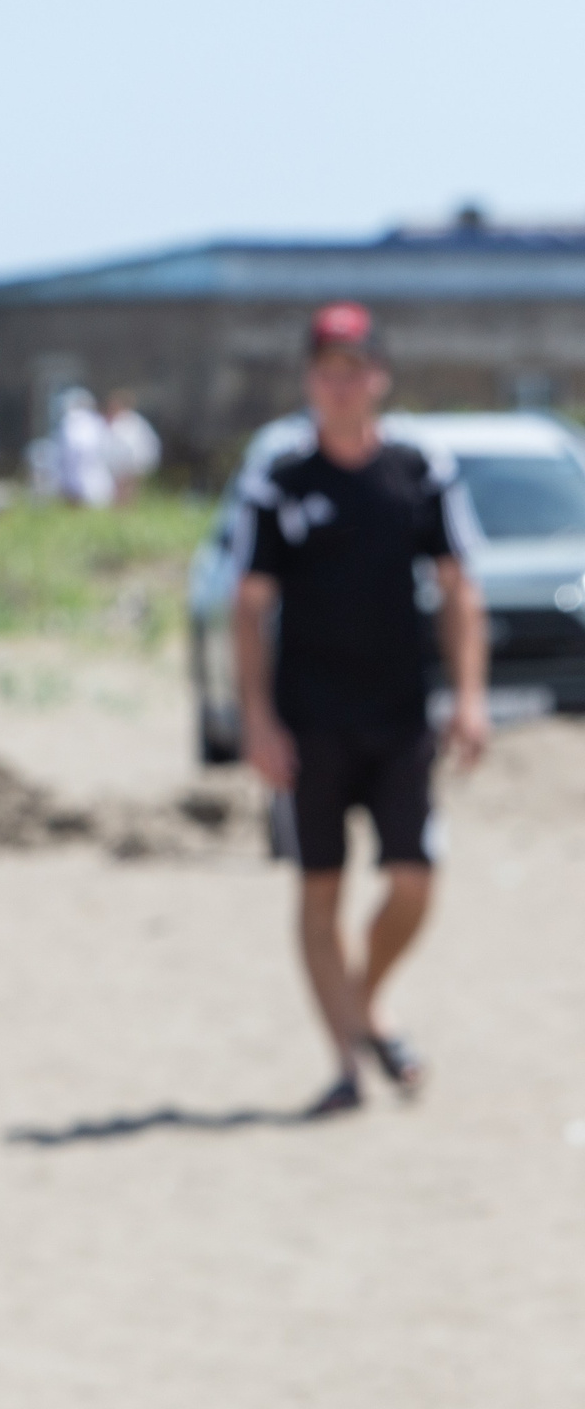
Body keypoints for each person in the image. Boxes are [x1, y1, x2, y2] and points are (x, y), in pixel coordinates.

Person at [231, 301, 489, 1118]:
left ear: (377, 377)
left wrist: (470, 696)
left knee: (413, 881)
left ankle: (366, 999)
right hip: (309, 719)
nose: (339, 386)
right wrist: (258, 719)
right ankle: (346, 1061)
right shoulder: (280, 478)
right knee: (319, 889)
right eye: (325, 371)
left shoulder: (418, 471)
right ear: (310, 379)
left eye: (353, 370)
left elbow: (459, 590)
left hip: (400, 714)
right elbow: (248, 603)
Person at [54, 385, 115, 508]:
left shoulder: (71, 422)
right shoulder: (95, 421)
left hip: (82, 469)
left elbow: (71, 449)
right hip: (92, 470)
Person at [103, 388, 161, 506]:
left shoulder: (123, 422)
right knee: (128, 490)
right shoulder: (135, 420)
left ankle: (124, 510)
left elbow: (124, 447)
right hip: (136, 461)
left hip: (128, 462)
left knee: (125, 490)